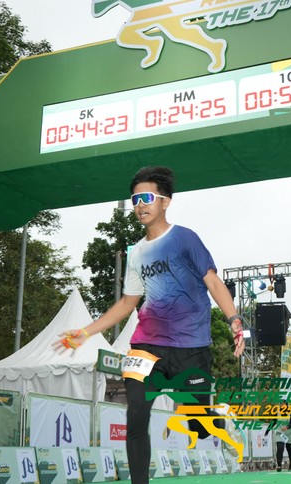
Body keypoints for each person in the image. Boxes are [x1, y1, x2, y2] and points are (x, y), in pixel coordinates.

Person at [56, 166, 245, 484]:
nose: (140, 205)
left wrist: (234, 319)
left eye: (146, 198)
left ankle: (216, 420)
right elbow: (127, 303)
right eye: (135, 200)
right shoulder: (136, 253)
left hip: (191, 348)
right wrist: (86, 331)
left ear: (165, 202)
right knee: (136, 415)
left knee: (198, 423)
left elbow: (212, 281)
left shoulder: (185, 238)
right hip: (146, 346)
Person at [269, 401, 291, 472]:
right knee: (280, 448)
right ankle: (279, 465)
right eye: (281, 404)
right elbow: (273, 421)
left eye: (283, 404)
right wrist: (267, 430)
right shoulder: (277, 413)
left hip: (289, 434)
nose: (282, 405)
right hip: (279, 433)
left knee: (290, 450)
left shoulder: (290, 412)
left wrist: (287, 427)